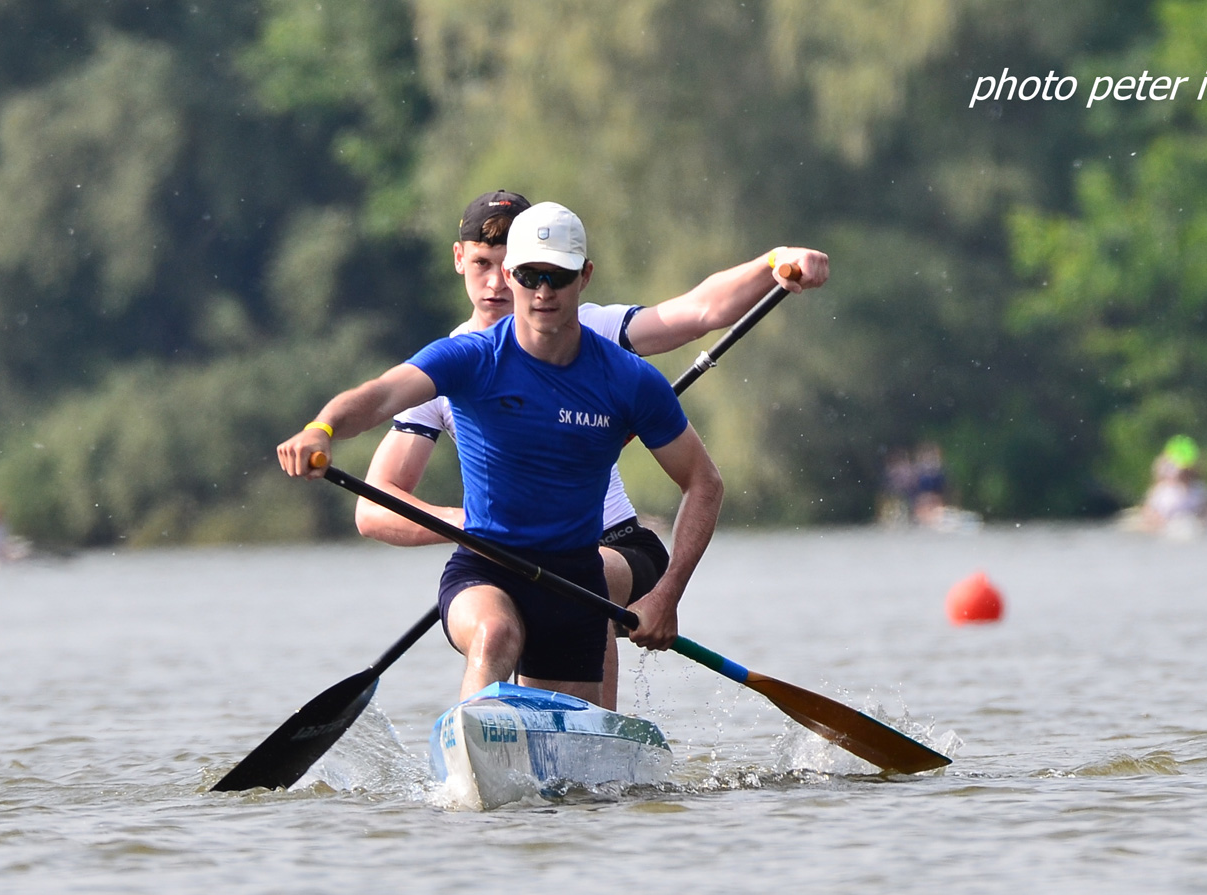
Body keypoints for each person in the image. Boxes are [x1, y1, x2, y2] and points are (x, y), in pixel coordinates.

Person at [353, 189, 830, 706]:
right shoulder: (447, 366)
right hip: (506, 556)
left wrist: (773, 262)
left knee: (586, 577)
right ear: (459, 260)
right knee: (497, 632)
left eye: (536, 271)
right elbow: (374, 509)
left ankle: (590, 734)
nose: (496, 284)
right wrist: (470, 525)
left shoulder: (590, 328)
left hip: (616, 546)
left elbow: (701, 311)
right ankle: (488, 736)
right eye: (482, 265)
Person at [278, 202, 725, 708]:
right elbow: (380, 394)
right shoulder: (470, 358)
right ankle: (472, 763)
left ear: (586, 277)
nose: (543, 292)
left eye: (559, 276)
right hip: (485, 568)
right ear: (510, 275)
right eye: (531, 275)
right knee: (494, 636)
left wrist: (667, 595)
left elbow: (703, 483)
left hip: (575, 581)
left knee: (571, 755)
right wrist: (323, 428)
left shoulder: (630, 380)